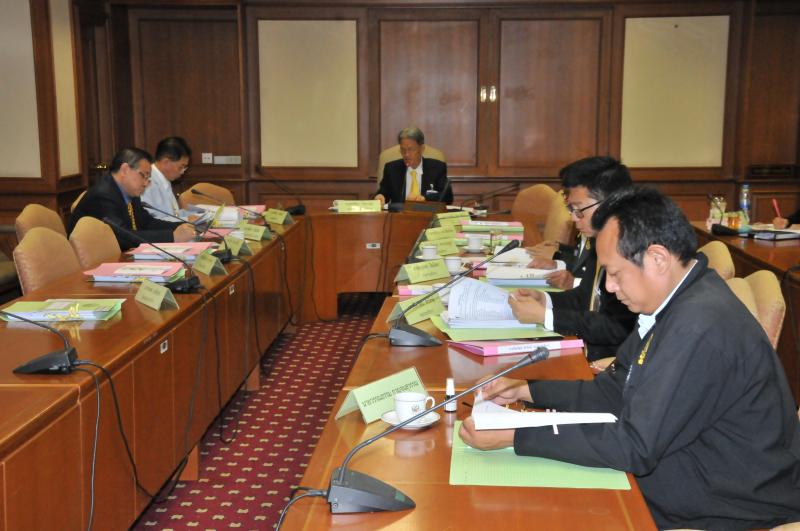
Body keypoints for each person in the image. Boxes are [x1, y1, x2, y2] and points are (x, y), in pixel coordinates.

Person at [460, 187, 800, 530]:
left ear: (657, 259)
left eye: (615, 273)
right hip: (691, 464)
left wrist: (515, 436)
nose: (609, 287)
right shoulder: (675, 299)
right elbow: (614, 390)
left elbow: (634, 446)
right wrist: (526, 390)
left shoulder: (698, 326)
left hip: (729, 497)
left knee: (542, 509)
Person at [509, 157, 636, 361]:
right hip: (586, 349)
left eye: (579, 210)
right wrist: (544, 299)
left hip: (610, 361)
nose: (573, 218)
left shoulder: (632, 249)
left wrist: (545, 316)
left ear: (610, 203)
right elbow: (584, 297)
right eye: (571, 210)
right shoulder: (600, 238)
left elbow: (616, 326)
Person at [68, 147, 196, 250]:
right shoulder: (103, 195)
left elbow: (146, 222)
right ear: (125, 170)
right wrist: (171, 236)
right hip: (96, 261)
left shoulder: (129, 190)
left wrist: (184, 226)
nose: (146, 183)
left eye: (148, 178)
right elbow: (121, 236)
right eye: (144, 175)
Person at [375, 127, 452, 205]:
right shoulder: (392, 169)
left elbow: (447, 198)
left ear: (422, 149)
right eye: (403, 150)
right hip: (400, 212)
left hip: (427, 212)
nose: (406, 154)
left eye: (411, 149)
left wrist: (425, 199)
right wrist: (380, 196)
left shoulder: (437, 168)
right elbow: (383, 192)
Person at [141, 136, 191, 221]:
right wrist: (187, 219)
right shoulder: (147, 182)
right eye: (181, 167)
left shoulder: (164, 179)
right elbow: (152, 220)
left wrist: (196, 216)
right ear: (166, 162)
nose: (182, 172)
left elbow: (174, 214)